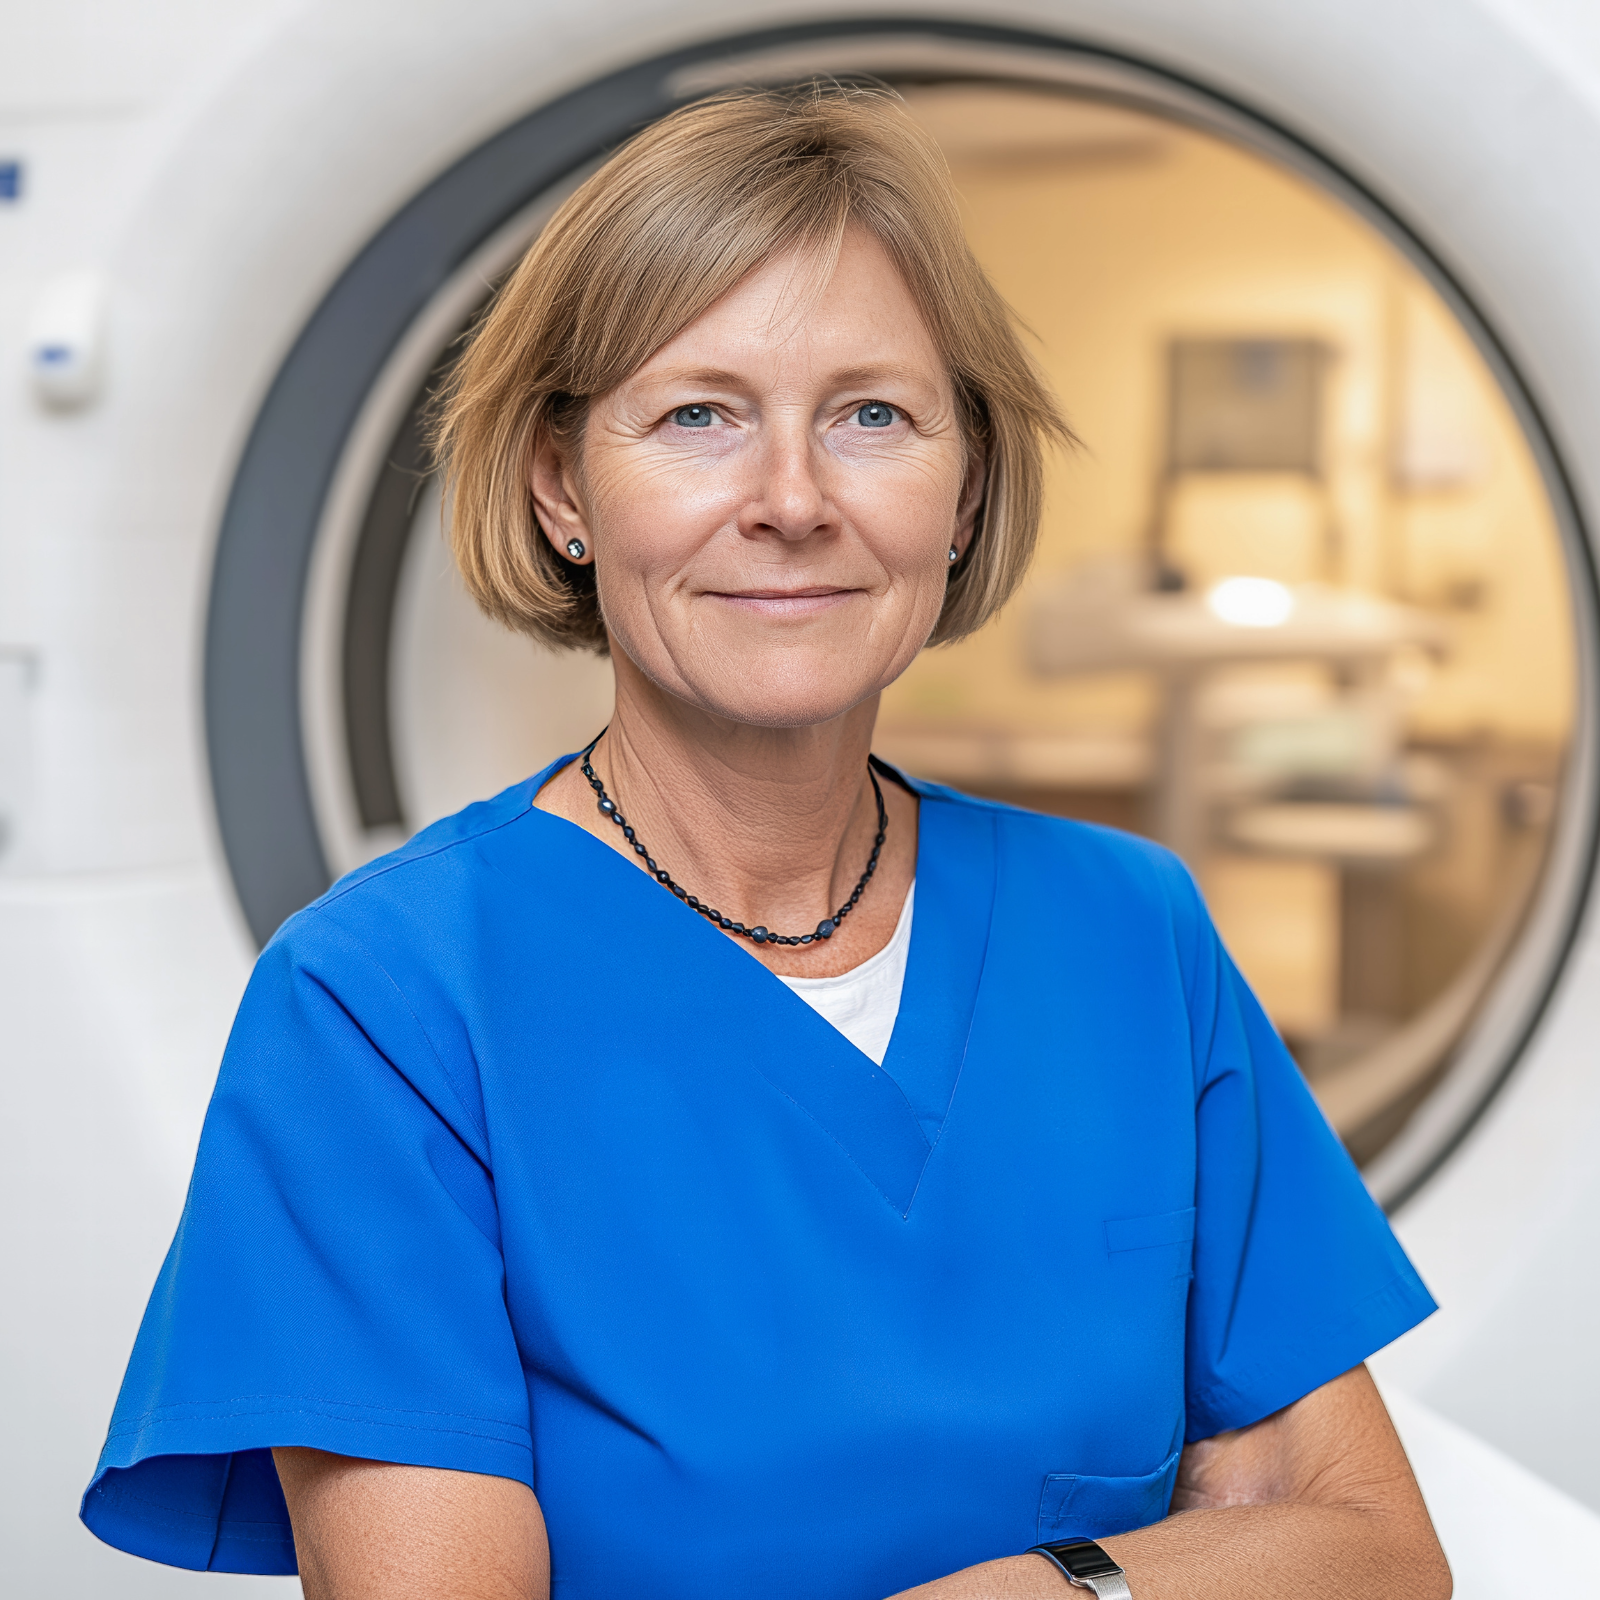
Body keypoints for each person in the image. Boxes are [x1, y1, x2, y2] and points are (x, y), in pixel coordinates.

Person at [82, 84, 1449, 1600]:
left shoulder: (1130, 929)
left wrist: (1049, 1593)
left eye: (873, 416)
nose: (792, 501)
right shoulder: (381, 1000)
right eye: (698, 416)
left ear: (964, 488)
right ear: (562, 487)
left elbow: (1372, 1548)